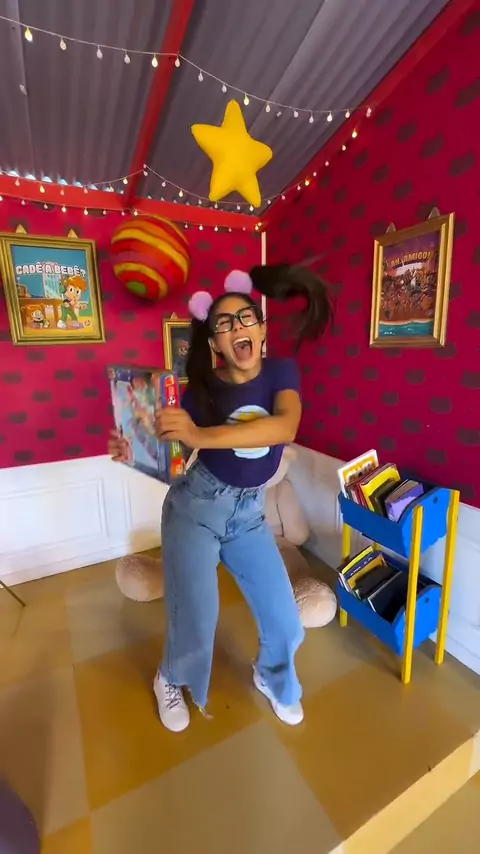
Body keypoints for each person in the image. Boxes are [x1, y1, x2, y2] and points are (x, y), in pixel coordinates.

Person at [109, 264, 333, 732]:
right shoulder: (201, 392)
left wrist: (202, 436)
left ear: (262, 329)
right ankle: (169, 678)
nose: (237, 327)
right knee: (197, 616)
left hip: (249, 514)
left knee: (284, 620)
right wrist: (132, 442)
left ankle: (272, 677)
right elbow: (167, 444)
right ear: (214, 343)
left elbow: (285, 426)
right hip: (196, 509)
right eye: (224, 324)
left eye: (246, 318)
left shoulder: (281, 373)